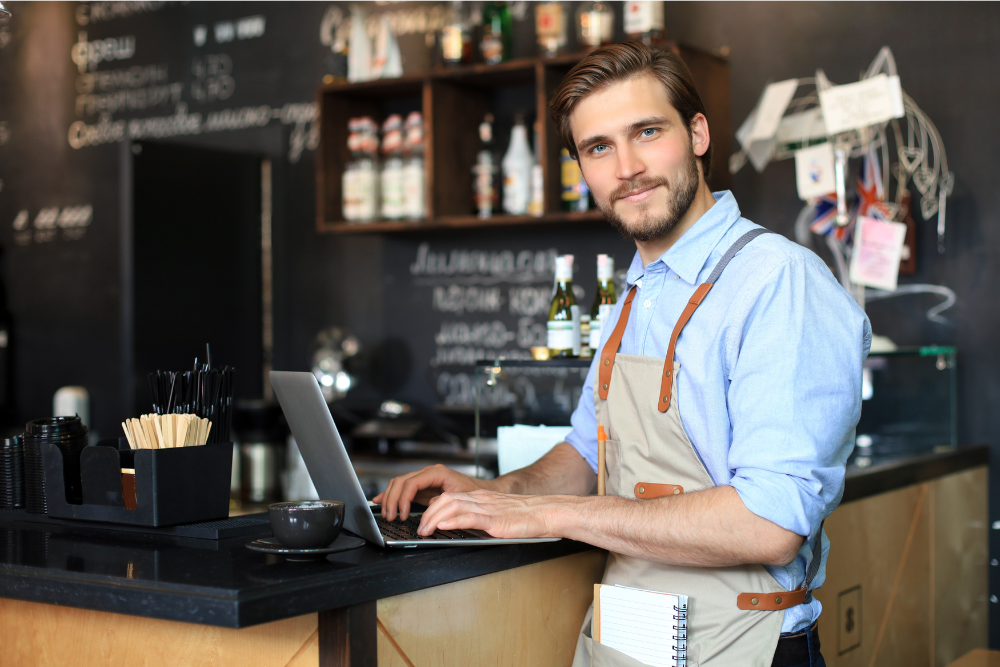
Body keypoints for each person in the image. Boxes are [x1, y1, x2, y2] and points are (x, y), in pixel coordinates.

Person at [375, 41, 870, 667]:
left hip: (744, 647)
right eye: (598, 147)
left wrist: (543, 511)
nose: (627, 166)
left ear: (696, 133)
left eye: (647, 131)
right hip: (626, 643)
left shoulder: (777, 282)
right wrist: (488, 497)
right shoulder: (634, 295)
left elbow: (769, 524)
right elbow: (586, 452)